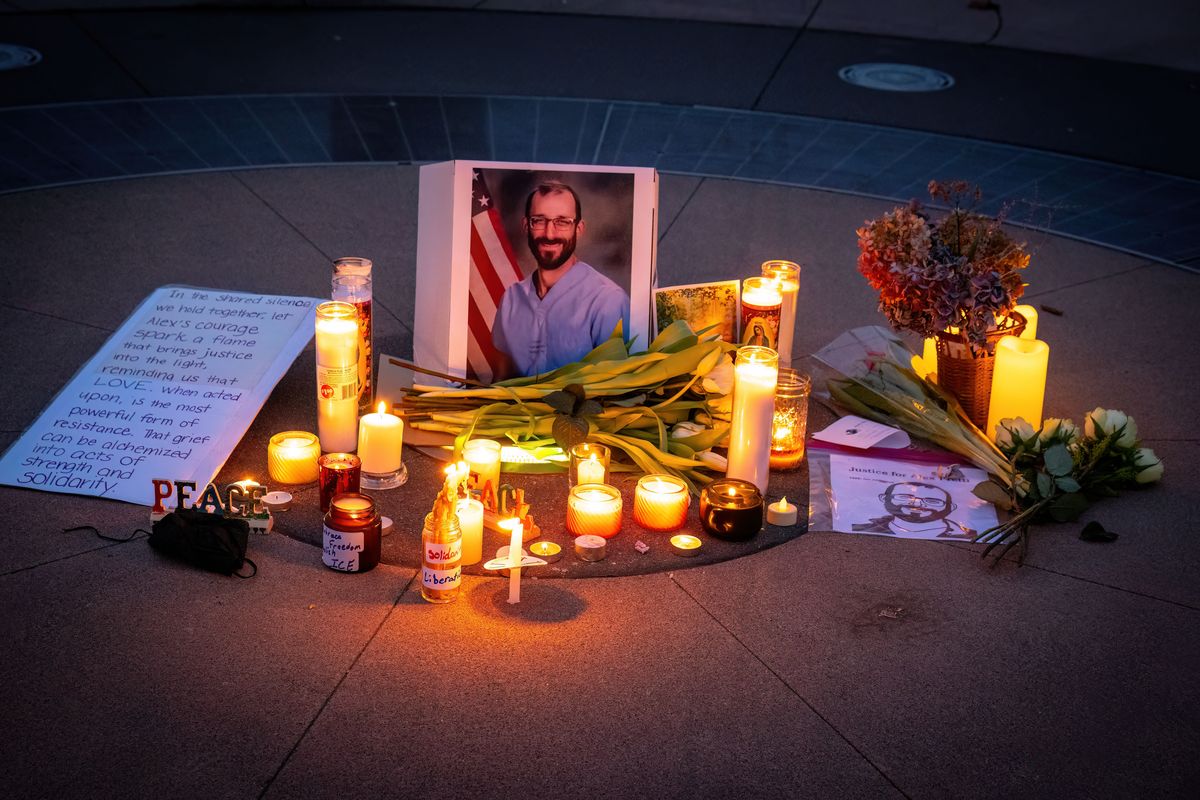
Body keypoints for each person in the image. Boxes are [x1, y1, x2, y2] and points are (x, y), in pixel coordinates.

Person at [491, 181, 630, 378]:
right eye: (539, 221)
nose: (549, 233)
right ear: (526, 226)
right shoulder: (511, 300)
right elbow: (500, 381)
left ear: (579, 229)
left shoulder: (608, 301)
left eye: (562, 222)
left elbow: (617, 387)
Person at [852, 481, 976, 539]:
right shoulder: (860, 528)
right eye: (905, 497)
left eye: (932, 501)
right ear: (884, 498)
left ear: (951, 507)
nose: (917, 504)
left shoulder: (969, 536)